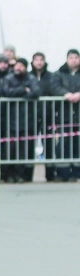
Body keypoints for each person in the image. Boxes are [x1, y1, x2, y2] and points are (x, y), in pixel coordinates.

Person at [0, 58, 40, 183]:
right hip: (11, 119)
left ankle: (20, 174)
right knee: (9, 149)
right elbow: (7, 92)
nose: (18, 68)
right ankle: (9, 174)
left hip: (26, 119)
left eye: (21, 65)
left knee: (23, 149)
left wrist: (21, 92)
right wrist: (24, 90)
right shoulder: (8, 78)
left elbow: (36, 92)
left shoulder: (31, 78)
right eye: (17, 65)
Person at [52, 49, 80, 182]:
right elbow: (54, 87)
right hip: (64, 116)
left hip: (78, 116)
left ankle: (76, 174)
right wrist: (65, 94)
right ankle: (62, 173)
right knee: (63, 145)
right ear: (67, 59)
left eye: (76, 57)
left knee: (78, 145)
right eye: (71, 57)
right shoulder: (59, 73)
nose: (74, 60)